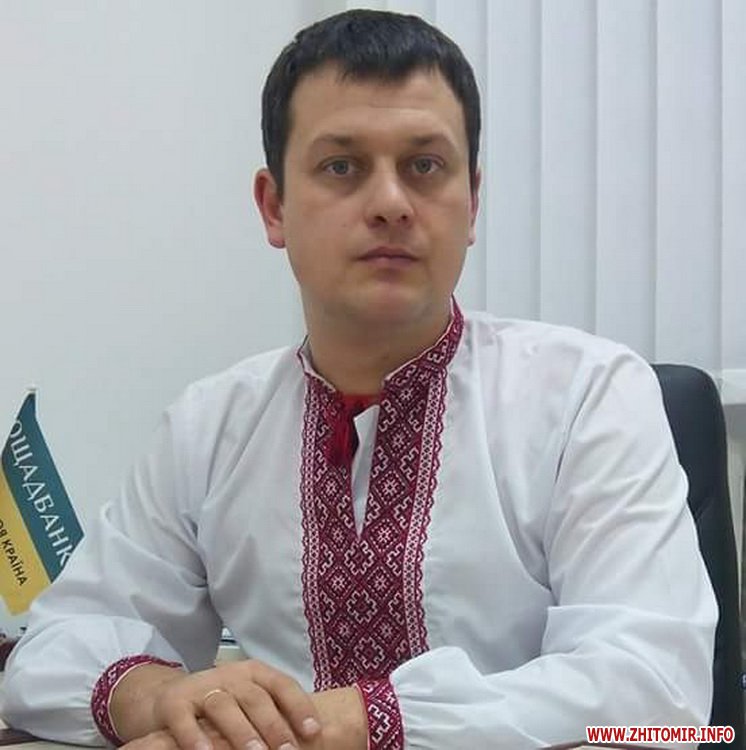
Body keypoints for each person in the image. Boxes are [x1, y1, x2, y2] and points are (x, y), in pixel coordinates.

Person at [2, 9, 716, 750]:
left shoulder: (588, 398)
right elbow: (49, 653)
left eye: (425, 166)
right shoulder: (209, 429)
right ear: (274, 207)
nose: (390, 204)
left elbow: (657, 698)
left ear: (472, 203)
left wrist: (345, 724)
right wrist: (165, 700)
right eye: (341, 167)